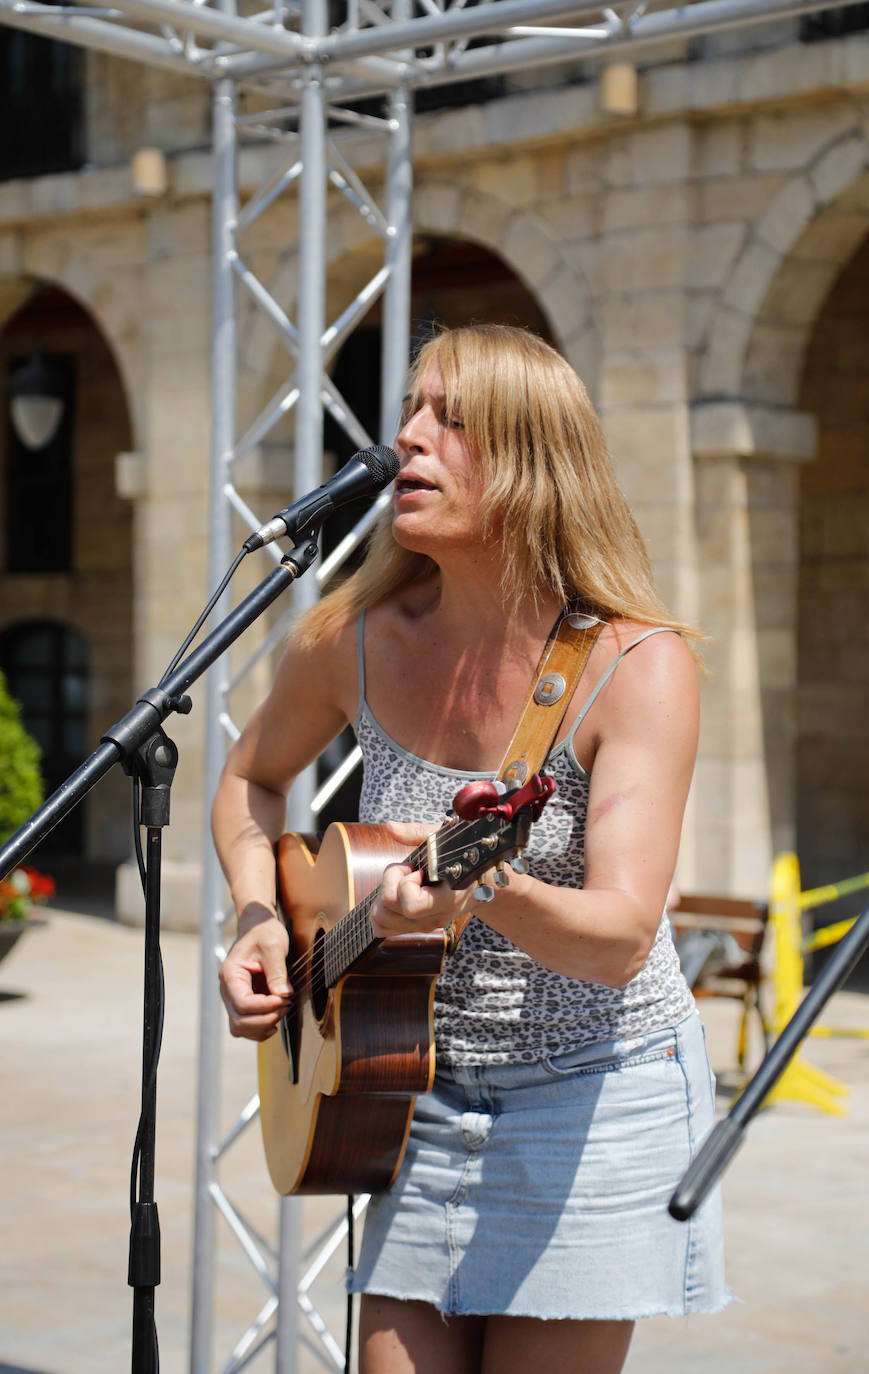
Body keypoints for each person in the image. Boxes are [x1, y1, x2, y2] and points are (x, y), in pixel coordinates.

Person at [213, 323, 729, 1373]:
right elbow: (247, 781)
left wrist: (483, 890)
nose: (408, 436)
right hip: (414, 1092)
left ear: (535, 461)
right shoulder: (351, 636)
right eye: (410, 410)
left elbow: (621, 937)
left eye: (451, 420)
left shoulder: (635, 664)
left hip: (594, 1097)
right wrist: (259, 916)